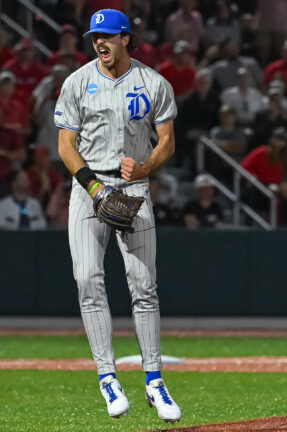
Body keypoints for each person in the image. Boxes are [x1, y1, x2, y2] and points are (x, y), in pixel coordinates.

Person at [54, 9, 182, 423]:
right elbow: (66, 146)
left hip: (134, 188)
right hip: (88, 187)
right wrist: (93, 186)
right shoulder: (77, 82)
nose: (100, 43)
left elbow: (167, 142)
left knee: (144, 287)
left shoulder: (153, 83)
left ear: (127, 38)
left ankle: (154, 381)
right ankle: (107, 377)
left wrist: (144, 169)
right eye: (95, 36)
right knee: (88, 280)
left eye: (108, 36)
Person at [3, 38, 51, 103]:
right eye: (22, 50)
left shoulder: (41, 70)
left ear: (33, 51)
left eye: (27, 50)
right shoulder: (9, 67)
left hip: (33, 104)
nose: (25, 53)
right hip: (13, 103)